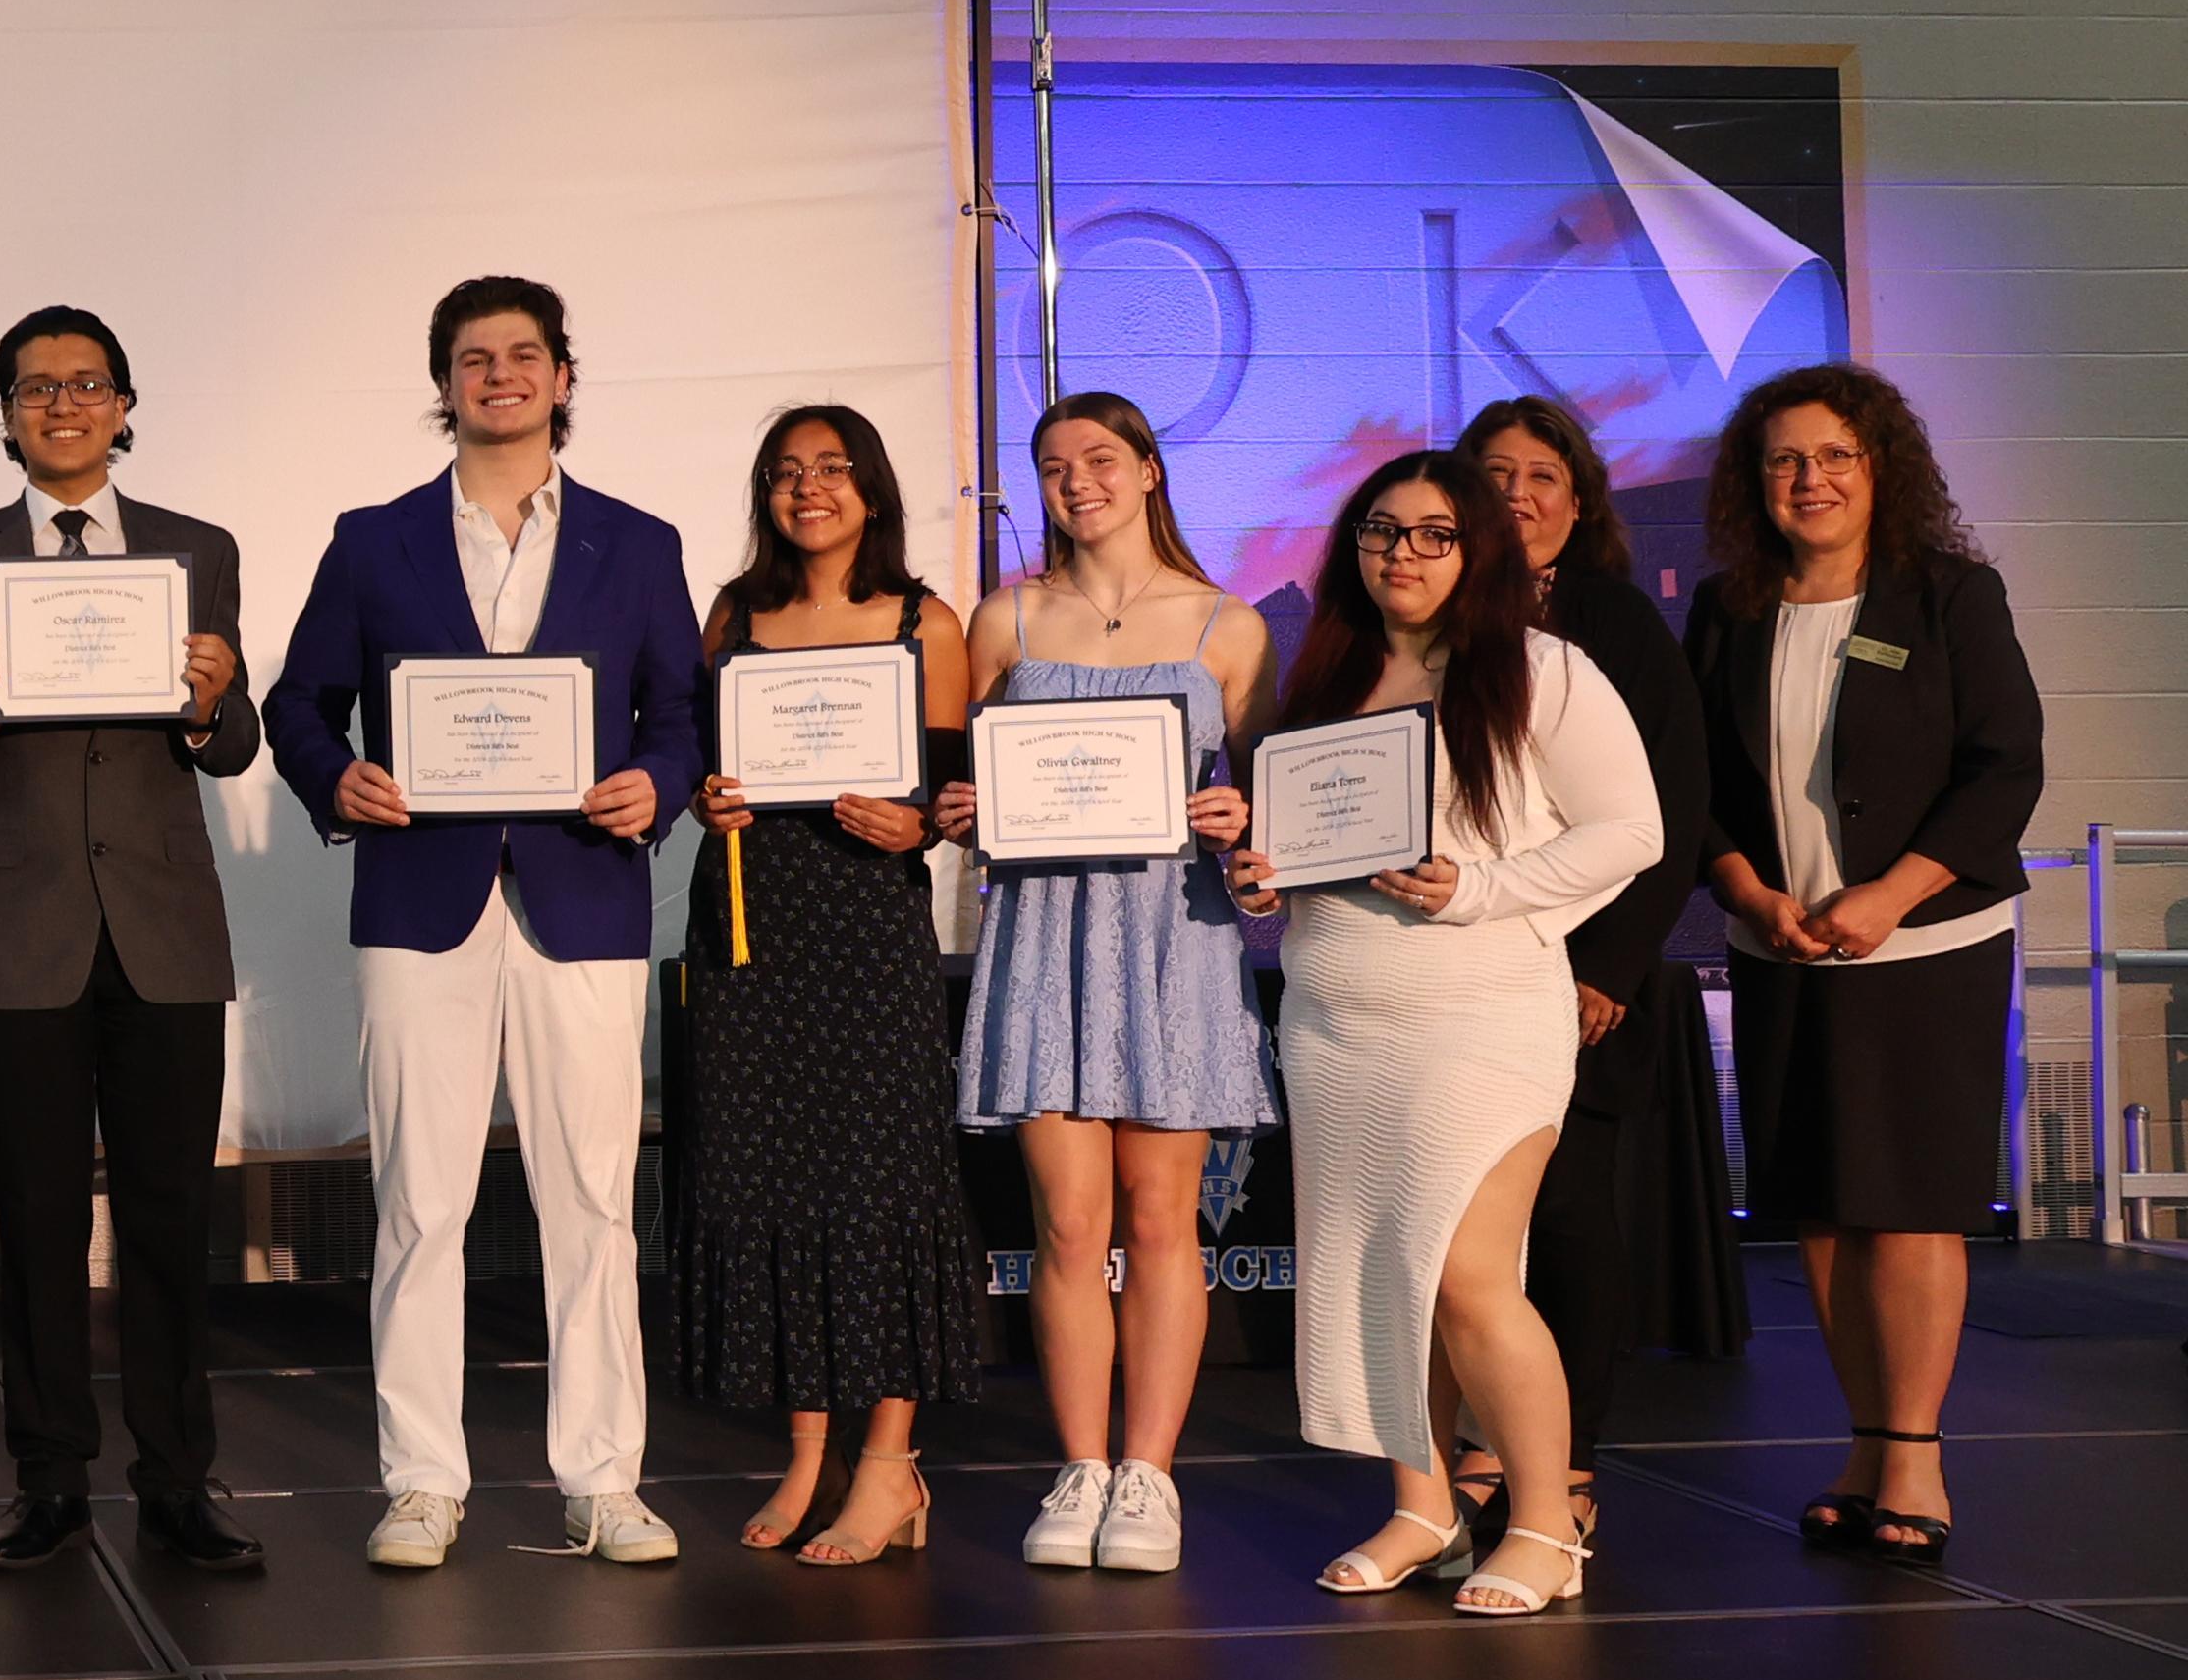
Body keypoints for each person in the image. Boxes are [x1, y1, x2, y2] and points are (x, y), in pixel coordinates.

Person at [265, 275, 697, 1571]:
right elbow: (297, 705)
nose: (498, 375)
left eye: (522, 355)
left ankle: (603, 1480)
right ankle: (421, 1481)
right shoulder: (372, 540)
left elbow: (680, 715)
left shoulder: (639, 544)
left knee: (594, 1201)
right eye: (473, 358)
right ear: (443, 383)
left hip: (583, 897)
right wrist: (332, 778)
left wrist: (657, 783)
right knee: (418, 1199)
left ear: (562, 376)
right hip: (419, 899)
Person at [1228, 453, 1658, 1617]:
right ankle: (1422, 1508)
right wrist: (1260, 879)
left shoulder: (1541, 670)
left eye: (1431, 534)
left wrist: (1478, 888)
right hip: (1335, 1020)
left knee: (1469, 1277)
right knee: (1382, 1277)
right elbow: (1302, 854)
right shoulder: (1325, 678)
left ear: (1477, 549)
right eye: (1380, 531)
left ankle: (1544, 1524)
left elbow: (1631, 830)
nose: (1400, 554)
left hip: (1479, 1015)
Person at [0, 307, 266, 1574]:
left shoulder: (195, 551)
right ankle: (48, 1478)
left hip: (164, 928)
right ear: (4, 415)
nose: (61, 404)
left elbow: (235, 741)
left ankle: (177, 1481)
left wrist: (211, 706)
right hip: (19, 930)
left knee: (169, 1217)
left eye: (85, 383)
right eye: (34, 387)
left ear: (123, 405)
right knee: (37, 1218)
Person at [1682, 363, 2042, 1567]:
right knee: (1824, 1211)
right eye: (1783, 459)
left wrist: (1889, 894)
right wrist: (1744, 889)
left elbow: (2003, 764)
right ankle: (1864, 1444)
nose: (1809, 479)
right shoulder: (1726, 608)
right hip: (1778, 945)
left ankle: (1916, 1455)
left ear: (1879, 466)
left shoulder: (1949, 594)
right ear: (1753, 481)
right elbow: (1693, 784)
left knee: (1910, 1206)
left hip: (1925, 946)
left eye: (1834, 454)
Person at [934, 390, 1271, 1575]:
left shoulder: (1227, 626)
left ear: (1146, 470)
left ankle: (1149, 1475)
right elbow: (967, 784)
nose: (1075, 480)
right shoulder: (1006, 619)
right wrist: (961, 807)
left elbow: (1261, 807)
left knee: (1159, 1219)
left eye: (1097, 458)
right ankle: (1078, 1466)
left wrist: (1240, 819)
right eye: (1051, 465)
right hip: (1044, 936)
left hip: (1173, 938)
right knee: (1067, 1225)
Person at [678, 405, 980, 1567]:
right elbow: (703, 760)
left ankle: (889, 1462)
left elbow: (946, 799)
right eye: (785, 471)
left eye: (832, 469)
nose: (808, 488)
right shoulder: (732, 614)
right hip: (750, 917)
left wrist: (917, 826)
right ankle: (806, 1450)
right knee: (767, 1171)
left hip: (864, 923)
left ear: (872, 490)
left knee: (876, 1178)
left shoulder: (922, 621)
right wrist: (706, 797)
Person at [1450, 395, 1723, 1553]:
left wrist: (1607, 968)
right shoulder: (1430, 614)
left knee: (1563, 1215)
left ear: (1577, 502)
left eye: (1541, 477)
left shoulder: (1611, 617)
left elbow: (1669, 807)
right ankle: (1476, 1446)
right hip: (1455, 973)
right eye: (1493, 473)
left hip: (1579, 981)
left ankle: (1560, 1467)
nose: (1516, 495)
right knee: (1467, 1227)